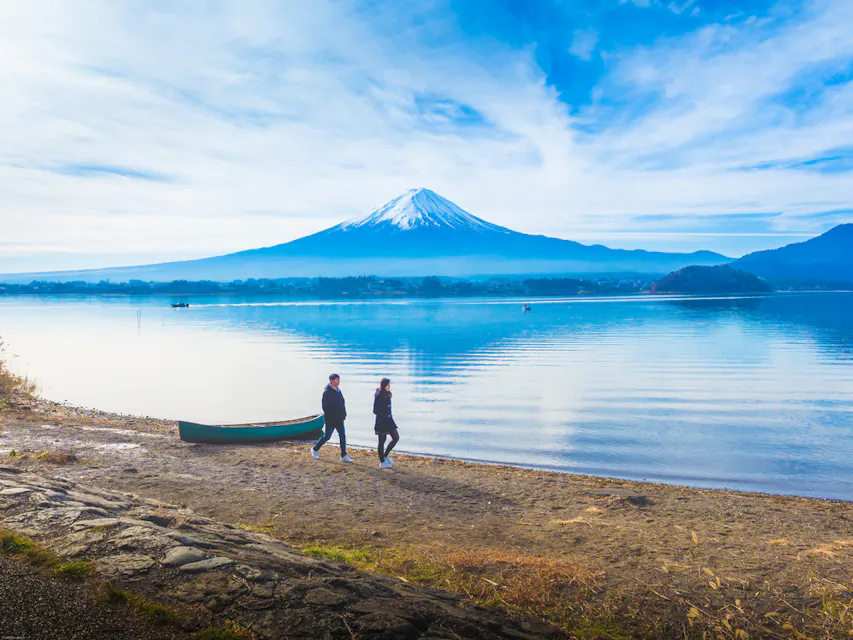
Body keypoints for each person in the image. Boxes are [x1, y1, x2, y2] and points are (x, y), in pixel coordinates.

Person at [312, 373, 353, 463]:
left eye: (339, 379)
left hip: (339, 419)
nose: (338, 382)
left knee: (342, 436)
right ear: (331, 381)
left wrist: (344, 413)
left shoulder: (338, 390)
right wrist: (332, 417)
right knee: (327, 436)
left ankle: (343, 455)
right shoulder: (327, 392)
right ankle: (315, 449)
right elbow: (325, 407)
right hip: (331, 419)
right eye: (336, 380)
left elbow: (342, 402)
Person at [373, 377, 399, 469]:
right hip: (381, 421)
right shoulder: (379, 396)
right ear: (384, 385)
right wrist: (383, 416)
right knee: (381, 441)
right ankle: (382, 462)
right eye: (388, 385)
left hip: (389, 420)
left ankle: (386, 455)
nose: (389, 386)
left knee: (396, 437)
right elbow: (375, 410)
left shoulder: (388, 394)